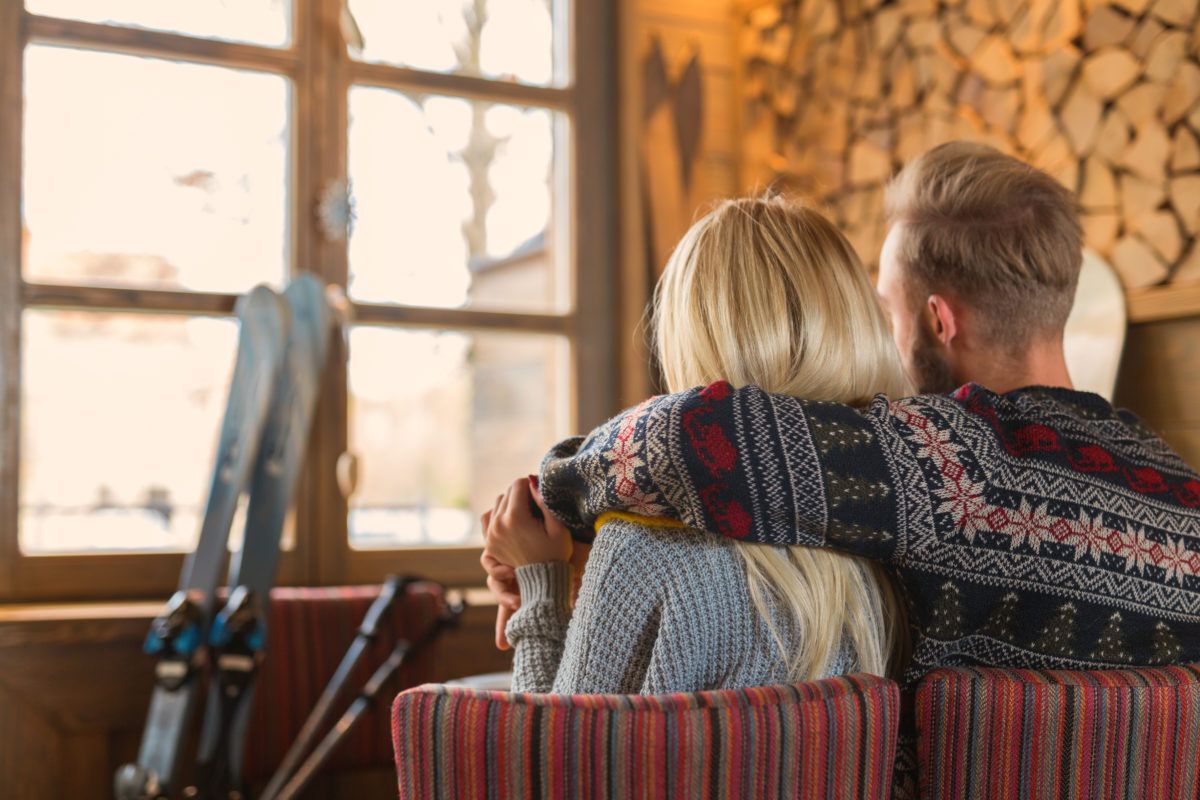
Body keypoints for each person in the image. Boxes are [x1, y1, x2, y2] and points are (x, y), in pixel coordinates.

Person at [490, 141, 1200, 685]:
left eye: (888, 312)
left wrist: (553, 498)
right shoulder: (1180, 492)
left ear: (937, 322)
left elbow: (688, 437)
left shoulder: (938, 465)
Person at [481, 197, 912, 693]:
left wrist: (541, 586)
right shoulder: (908, 553)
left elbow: (551, 763)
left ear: (692, 336)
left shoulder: (647, 553)